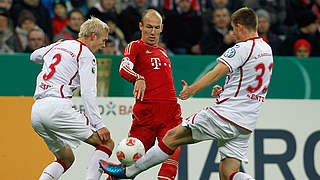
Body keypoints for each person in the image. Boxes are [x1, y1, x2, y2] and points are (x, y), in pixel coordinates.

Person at [100, 7, 274, 180]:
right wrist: (225, 91)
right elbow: (250, 83)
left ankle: (127, 172)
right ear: (141, 26)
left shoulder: (242, 48)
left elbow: (216, 72)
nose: (233, 34)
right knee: (228, 173)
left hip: (222, 115)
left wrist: (192, 89)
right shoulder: (266, 49)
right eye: (149, 27)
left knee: (172, 137)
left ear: (240, 26)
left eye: (234, 29)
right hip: (246, 122)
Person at [30, 17, 114, 180]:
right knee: (107, 143)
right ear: (93, 36)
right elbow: (88, 93)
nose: (104, 45)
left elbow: (33, 56)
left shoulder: (59, 45)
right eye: (103, 40)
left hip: (36, 111)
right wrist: (99, 124)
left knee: (65, 159)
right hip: (57, 107)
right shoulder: (86, 54)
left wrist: (54, 47)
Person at [114, 9, 182, 180]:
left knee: (172, 155)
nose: (152, 32)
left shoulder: (164, 52)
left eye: (156, 28)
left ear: (162, 28)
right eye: (149, 27)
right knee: (128, 163)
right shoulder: (135, 46)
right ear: (140, 26)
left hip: (170, 114)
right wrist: (137, 77)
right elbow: (123, 68)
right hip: (146, 116)